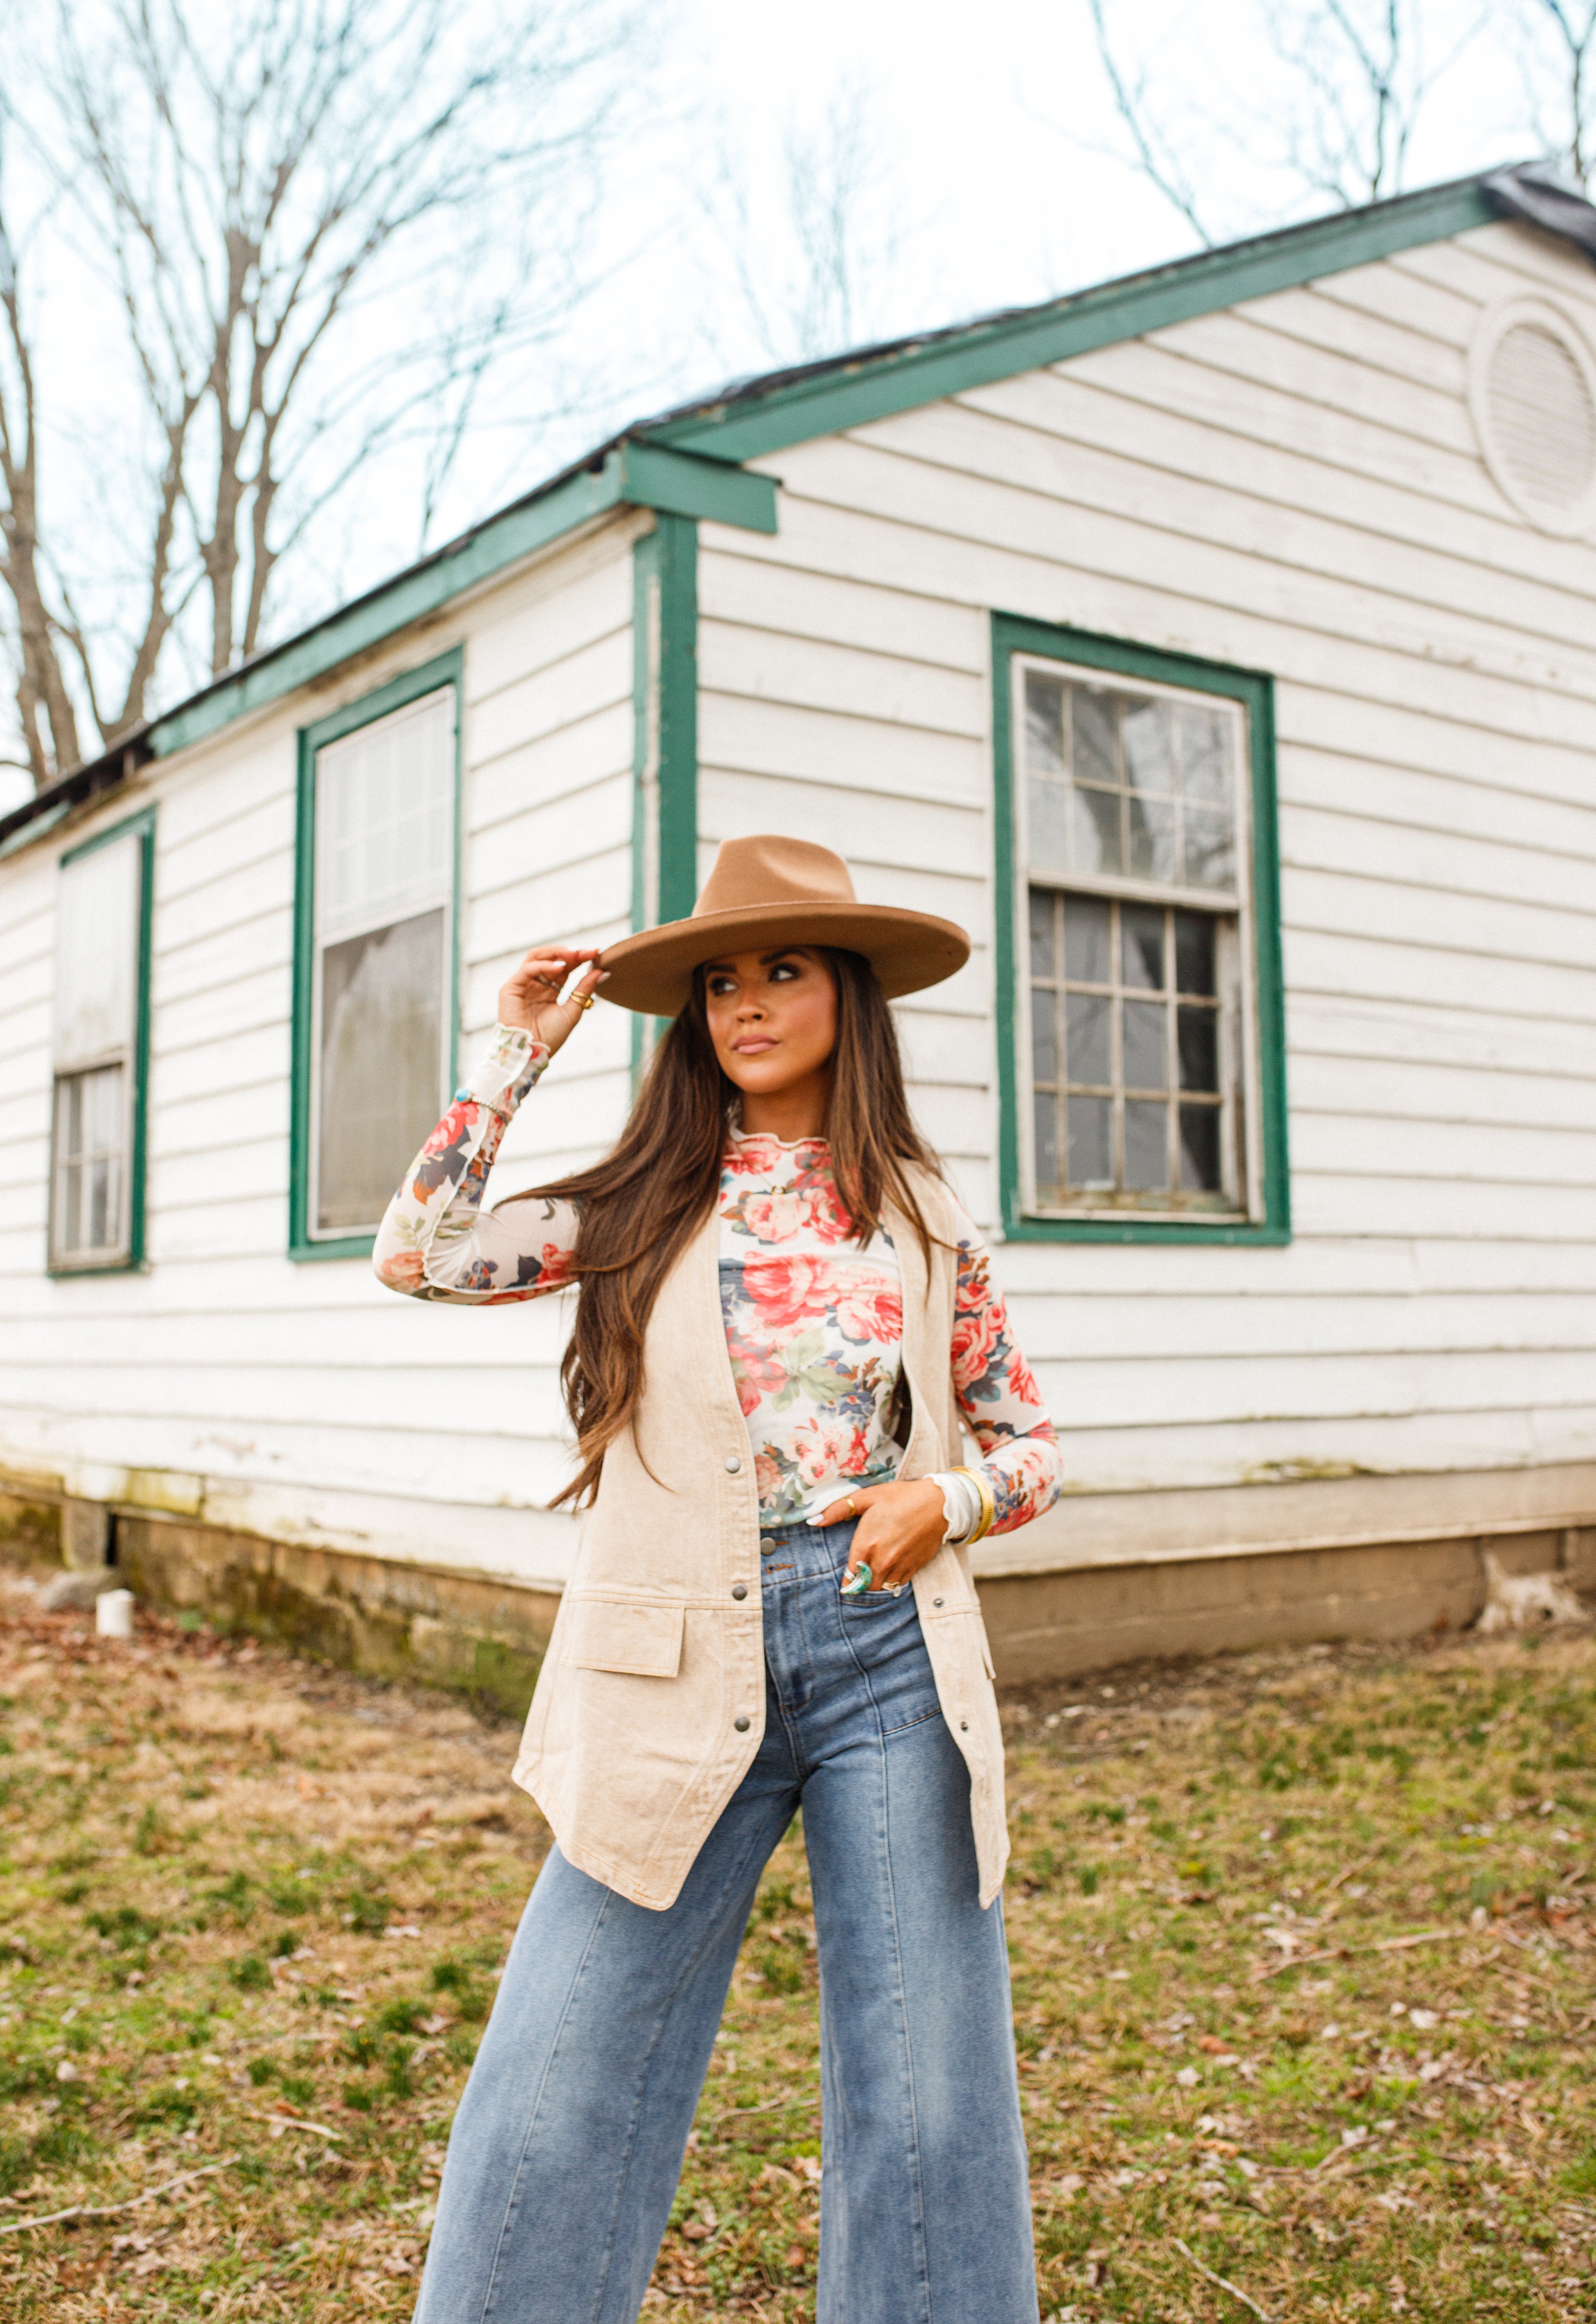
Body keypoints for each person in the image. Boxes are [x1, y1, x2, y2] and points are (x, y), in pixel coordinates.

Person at [374, 835, 1063, 2324]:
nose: (744, 1002)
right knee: (557, 2075)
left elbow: (1025, 1446)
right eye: (718, 983)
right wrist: (516, 1048)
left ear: (847, 993)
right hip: (670, 1654)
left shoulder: (929, 1217)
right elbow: (417, 1255)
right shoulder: (645, 1198)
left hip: (889, 1653)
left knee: (926, 2094)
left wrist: (939, 1498)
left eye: (782, 969)